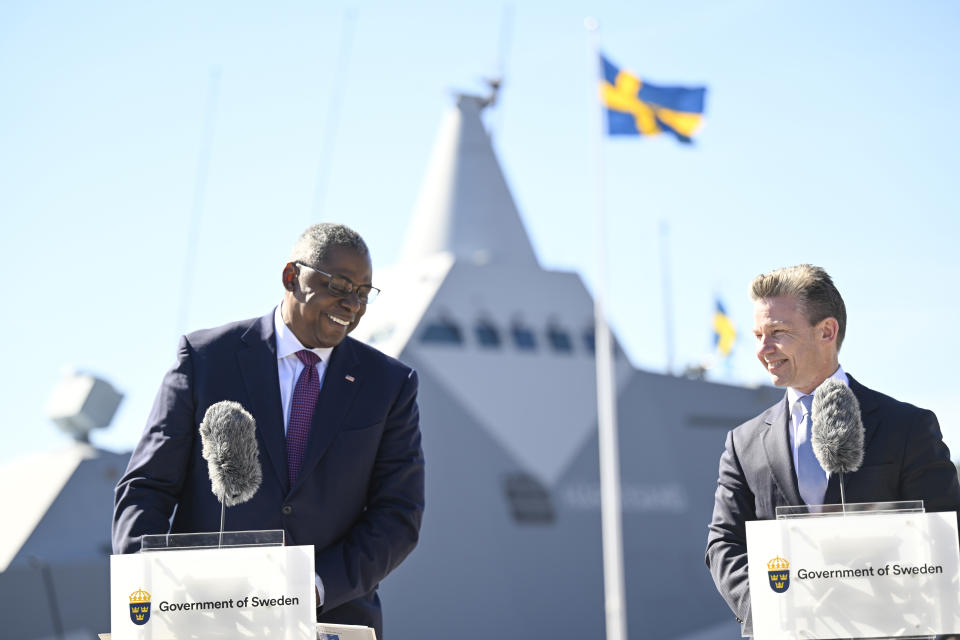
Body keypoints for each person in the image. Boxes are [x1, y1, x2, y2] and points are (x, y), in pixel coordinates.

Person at [113, 223, 425, 639]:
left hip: (330, 619)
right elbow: (147, 489)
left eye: (364, 292)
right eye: (340, 285)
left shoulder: (389, 384)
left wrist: (311, 587)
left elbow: (398, 515)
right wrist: (153, 588)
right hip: (204, 619)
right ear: (291, 277)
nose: (352, 304)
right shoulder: (206, 360)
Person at [705, 264, 960, 636]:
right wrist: (767, 611)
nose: (762, 349)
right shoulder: (743, 444)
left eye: (777, 333)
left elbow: (947, 539)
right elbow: (723, 544)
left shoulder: (906, 426)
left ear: (826, 331)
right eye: (759, 334)